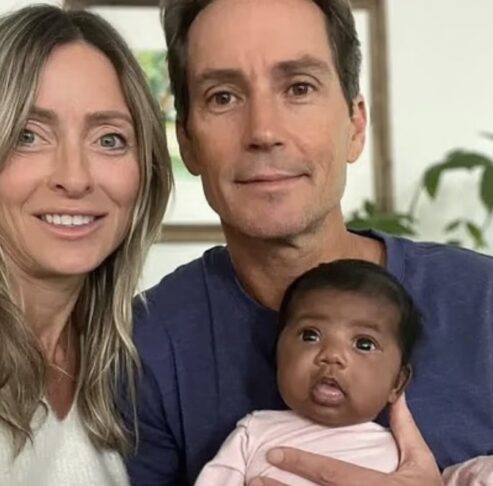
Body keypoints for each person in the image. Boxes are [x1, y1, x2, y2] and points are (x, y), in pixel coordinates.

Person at [127, 0, 493, 485]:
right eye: (223, 96)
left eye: (299, 88)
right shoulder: (147, 342)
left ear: (355, 125)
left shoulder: (483, 301)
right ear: (188, 142)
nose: (264, 131)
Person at [0, 5, 172, 486]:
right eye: (28, 135)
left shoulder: (128, 371)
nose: (74, 178)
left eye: (109, 140)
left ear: (145, 172)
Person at [194, 259, 421, 485]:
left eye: (364, 344)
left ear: (397, 383)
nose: (332, 355)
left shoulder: (406, 459)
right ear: (278, 354)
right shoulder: (253, 433)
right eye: (310, 335)